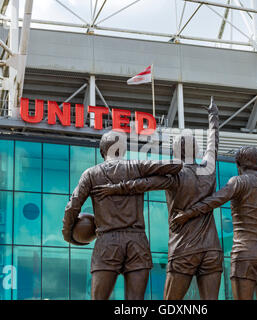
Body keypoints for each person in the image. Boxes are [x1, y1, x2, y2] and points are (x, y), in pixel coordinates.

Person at [92, 98, 223, 300]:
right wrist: (213, 116)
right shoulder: (210, 169)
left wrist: (114, 188)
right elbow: (214, 141)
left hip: (183, 250)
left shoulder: (174, 176)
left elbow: (142, 184)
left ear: (174, 153)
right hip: (212, 250)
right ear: (197, 151)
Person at [62, 131, 182, 300]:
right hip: (137, 242)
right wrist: (135, 184)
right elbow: (176, 165)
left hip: (107, 242)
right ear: (123, 151)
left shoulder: (91, 174)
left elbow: (72, 206)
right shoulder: (137, 167)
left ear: (102, 152)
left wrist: (68, 235)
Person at [171, 146, 257, 300]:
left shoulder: (238, 182)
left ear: (238, 165)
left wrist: (188, 214)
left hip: (244, 256)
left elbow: (213, 201)